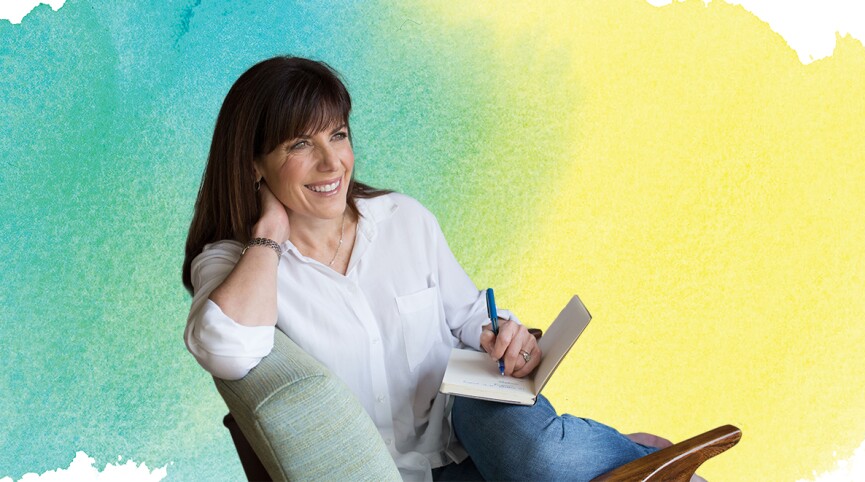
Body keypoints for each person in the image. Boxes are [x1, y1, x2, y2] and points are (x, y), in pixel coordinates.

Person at [182, 56, 681, 481]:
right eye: (299, 145)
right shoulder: (235, 263)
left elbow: (467, 317)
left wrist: (502, 334)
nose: (332, 163)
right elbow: (227, 351)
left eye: (337, 135)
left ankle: (651, 461)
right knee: (548, 463)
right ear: (254, 164)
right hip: (402, 470)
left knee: (541, 456)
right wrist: (270, 229)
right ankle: (607, 454)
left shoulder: (404, 219)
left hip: (466, 418)